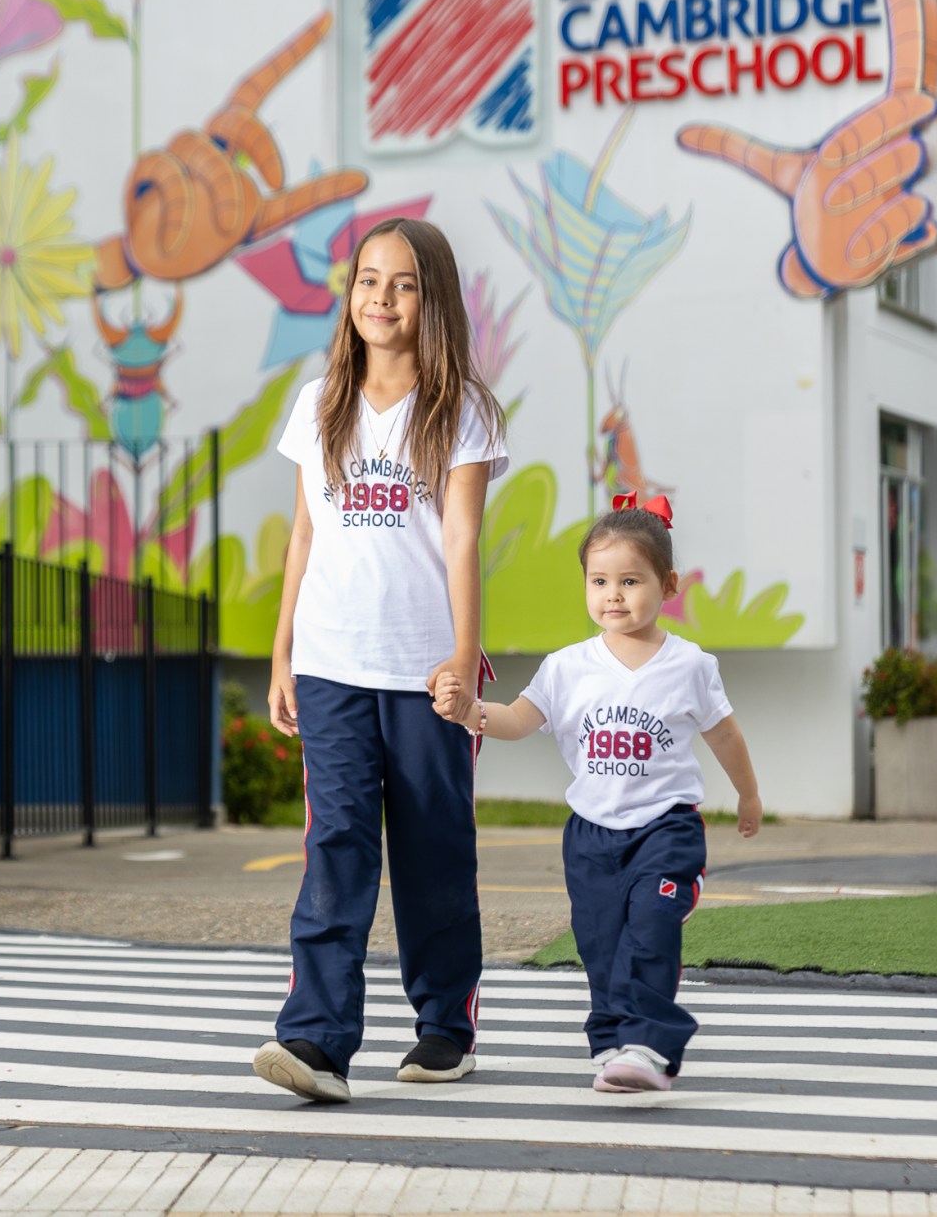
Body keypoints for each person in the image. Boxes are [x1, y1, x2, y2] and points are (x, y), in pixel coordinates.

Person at [252, 217, 507, 1105]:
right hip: (331, 659)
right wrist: (282, 648)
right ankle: (317, 1040)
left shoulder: (461, 407)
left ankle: (445, 1023)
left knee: (435, 849)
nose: (380, 298)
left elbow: (464, 535)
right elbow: (306, 532)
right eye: (367, 280)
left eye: (401, 283)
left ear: (430, 297)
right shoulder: (320, 398)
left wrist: (464, 655)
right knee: (338, 842)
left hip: (426, 666)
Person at [433, 494, 763, 1093]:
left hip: (665, 828)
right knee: (601, 942)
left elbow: (726, 735)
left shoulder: (690, 665)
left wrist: (748, 796)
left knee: (653, 926)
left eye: (630, 581)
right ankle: (613, 1038)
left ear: (667, 587)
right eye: (600, 580)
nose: (613, 594)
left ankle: (649, 1045)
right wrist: (470, 713)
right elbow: (517, 719)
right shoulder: (566, 668)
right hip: (589, 836)